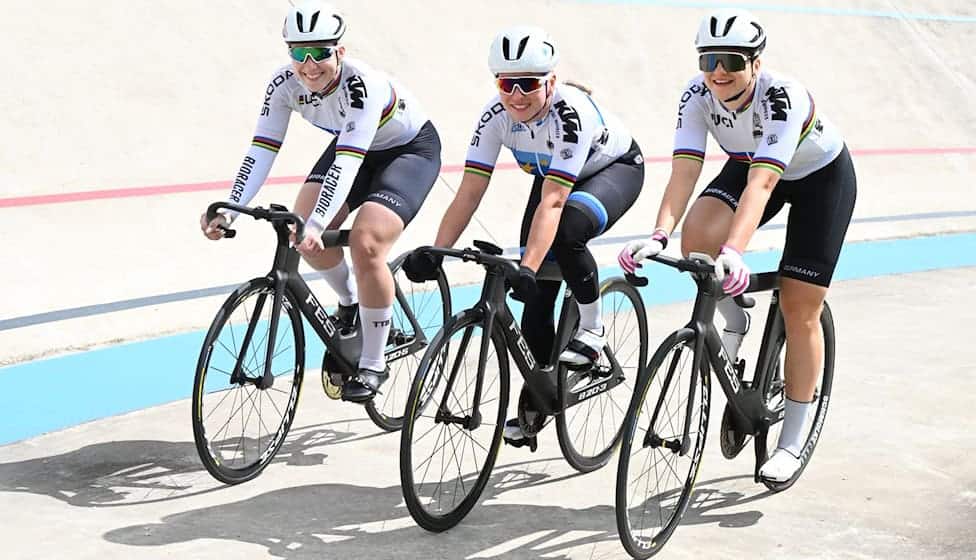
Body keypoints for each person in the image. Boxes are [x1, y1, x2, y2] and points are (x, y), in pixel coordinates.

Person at [619, 9, 856, 483]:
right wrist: (658, 233)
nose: (718, 72)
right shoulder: (697, 94)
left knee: (799, 305)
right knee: (698, 238)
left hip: (817, 180)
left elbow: (764, 185)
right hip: (751, 164)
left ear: (755, 62)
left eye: (730, 60)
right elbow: (685, 170)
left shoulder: (781, 97)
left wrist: (737, 251)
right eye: (709, 60)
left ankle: (791, 440)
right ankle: (733, 315)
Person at [403, 25, 645, 446]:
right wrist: (437, 251)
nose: (516, 95)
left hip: (611, 170)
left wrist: (529, 266)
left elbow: (552, 204)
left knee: (568, 232)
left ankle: (593, 328)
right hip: (555, 177)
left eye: (528, 84)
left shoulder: (571, 115)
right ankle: (541, 392)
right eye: (506, 84)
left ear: (550, 81)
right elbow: (469, 192)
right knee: (534, 298)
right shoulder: (495, 118)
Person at [200, 1, 442, 403]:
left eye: (320, 53)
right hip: (352, 147)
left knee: (365, 243)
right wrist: (229, 206)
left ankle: (373, 361)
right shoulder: (284, 85)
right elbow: (261, 149)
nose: (310, 65)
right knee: (300, 227)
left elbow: (347, 164)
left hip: (406, 152)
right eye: (299, 53)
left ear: (339, 52)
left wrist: (317, 226)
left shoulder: (363, 84)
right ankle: (350, 303)